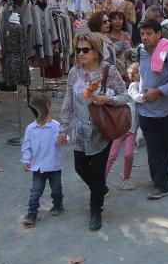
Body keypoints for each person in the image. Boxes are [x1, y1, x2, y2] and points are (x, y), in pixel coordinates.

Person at [59, 32, 129, 231]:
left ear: (96, 52)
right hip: (80, 130)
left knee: (97, 173)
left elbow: (125, 96)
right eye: (78, 50)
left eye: (85, 50)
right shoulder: (74, 73)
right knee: (80, 168)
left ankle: (95, 210)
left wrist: (109, 99)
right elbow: (68, 101)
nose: (80, 53)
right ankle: (100, 190)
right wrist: (63, 127)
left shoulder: (109, 71)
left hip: (102, 130)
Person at [136, 18, 168, 200]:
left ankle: (161, 176)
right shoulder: (141, 51)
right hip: (145, 109)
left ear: (158, 34)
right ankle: (162, 185)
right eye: (142, 34)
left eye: (149, 34)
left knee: (165, 147)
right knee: (153, 148)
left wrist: (158, 92)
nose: (145, 37)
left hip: (167, 110)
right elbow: (142, 74)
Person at [21, 95, 65, 227]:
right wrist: (26, 159)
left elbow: (65, 137)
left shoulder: (56, 126)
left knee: (56, 189)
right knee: (35, 191)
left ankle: (58, 204)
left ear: (50, 109)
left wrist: (63, 139)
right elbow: (26, 145)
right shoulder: (30, 128)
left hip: (53, 165)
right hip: (37, 167)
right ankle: (31, 214)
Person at [106, 63, 142, 192]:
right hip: (120, 129)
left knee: (128, 155)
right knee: (112, 155)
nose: (140, 74)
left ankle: (126, 179)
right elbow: (137, 97)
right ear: (132, 75)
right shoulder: (132, 87)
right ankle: (101, 180)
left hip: (131, 130)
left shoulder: (142, 86)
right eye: (137, 72)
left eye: (141, 72)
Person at [108, 11, 133, 77]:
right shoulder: (107, 37)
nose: (118, 22)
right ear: (110, 21)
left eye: (120, 19)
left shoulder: (126, 35)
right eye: (115, 19)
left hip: (128, 68)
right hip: (114, 70)